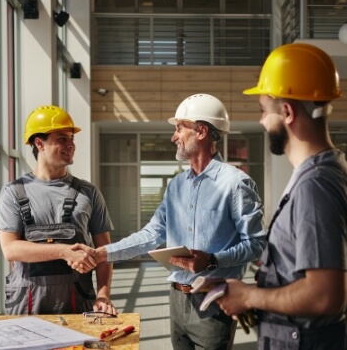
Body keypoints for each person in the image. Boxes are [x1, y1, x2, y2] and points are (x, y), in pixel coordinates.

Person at [73, 93, 267, 350]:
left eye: (179, 128)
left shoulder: (235, 183)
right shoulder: (176, 186)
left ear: (201, 131)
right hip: (176, 299)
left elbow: (256, 244)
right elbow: (151, 234)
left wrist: (212, 260)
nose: (173, 136)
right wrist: (101, 254)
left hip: (214, 301)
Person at [216, 43, 347, 350]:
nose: (260, 121)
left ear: (286, 112)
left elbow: (324, 295)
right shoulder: (321, 175)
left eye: (262, 110)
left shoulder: (316, 185)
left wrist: (249, 296)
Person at [0, 105, 117, 315]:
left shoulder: (88, 192)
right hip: (27, 307)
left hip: (78, 303)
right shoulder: (14, 192)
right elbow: (10, 250)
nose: (71, 145)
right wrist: (63, 251)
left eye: (72, 138)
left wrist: (103, 294)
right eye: (62, 138)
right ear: (39, 143)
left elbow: (105, 252)